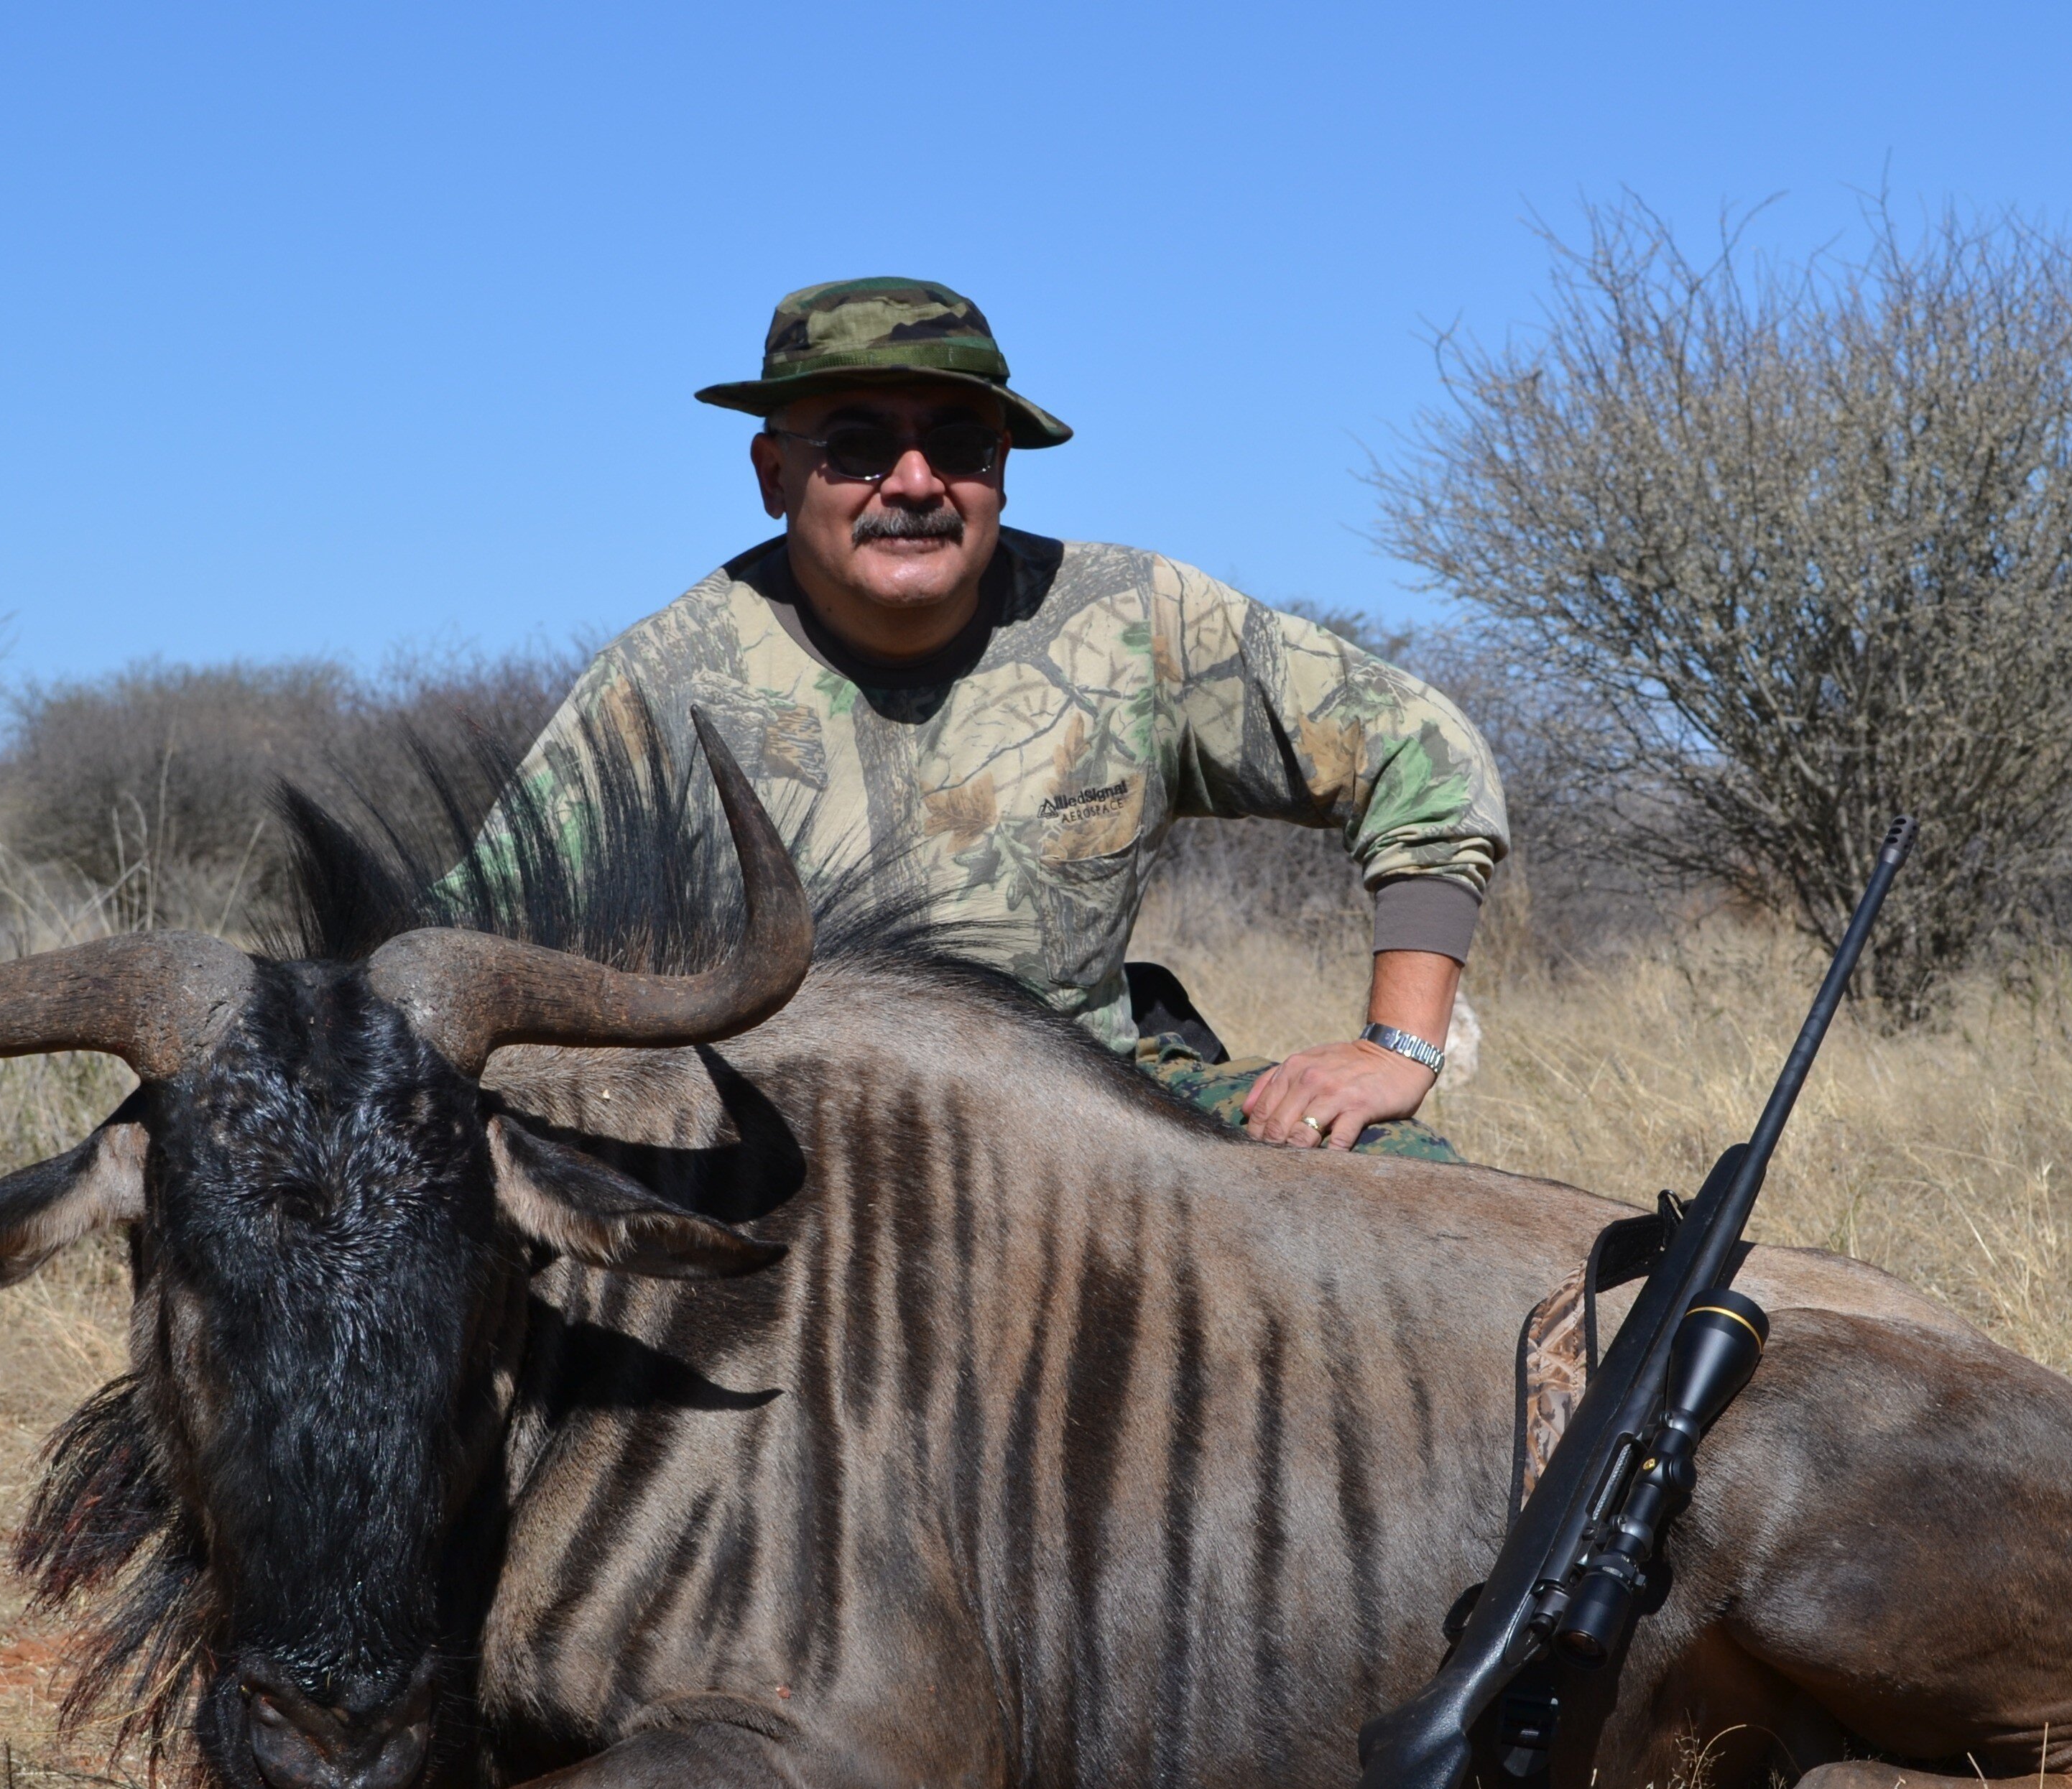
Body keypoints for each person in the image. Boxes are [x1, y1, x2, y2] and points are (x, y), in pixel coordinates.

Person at [468, 277, 1507, 1157]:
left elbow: (1426, 755)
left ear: (1002, 468)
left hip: (1089, 1130)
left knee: (1405, 1183)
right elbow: (466, 947)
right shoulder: (659, 684)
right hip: (777, 1152)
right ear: (774, 475)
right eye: (857, 445)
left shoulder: (1137, 621)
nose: (915, 483)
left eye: (959, 443)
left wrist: (1394, 1053)